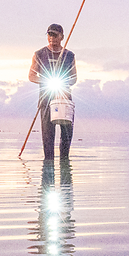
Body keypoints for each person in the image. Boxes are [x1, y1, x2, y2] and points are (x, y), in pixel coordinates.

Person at [29, 23, 78, 160]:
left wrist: (63, 83)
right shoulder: (39, 54)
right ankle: (48, 171)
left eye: (55, 35)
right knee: (48, 137)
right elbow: (31, 76)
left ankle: (65, 170)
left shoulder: (69, 55)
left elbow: (74, 78)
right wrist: (46, 81)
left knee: (66, 135)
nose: (52, 38)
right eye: (49, 34)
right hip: (46, 99)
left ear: (62, 36)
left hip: (64, 100)